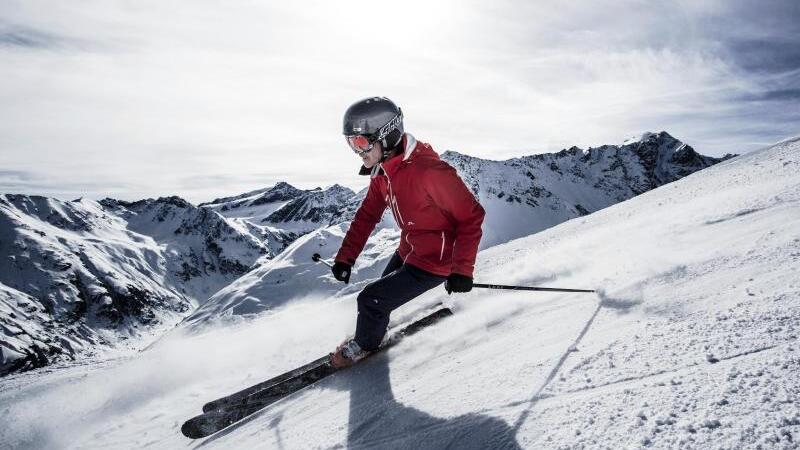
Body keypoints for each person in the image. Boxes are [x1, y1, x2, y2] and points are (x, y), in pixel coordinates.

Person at [329, 97, 485, 369]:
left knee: (371, 300)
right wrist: (346, 257)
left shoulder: (429, 171)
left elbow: (471, 216)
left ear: (386, 136)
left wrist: (461, 270)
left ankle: (365, 346)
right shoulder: (383, 172)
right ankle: (373, 331)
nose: (357, 151)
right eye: (351, 143)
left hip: (436, 262)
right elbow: (367, 215)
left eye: (361, 143)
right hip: (410, 251)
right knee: (380, 294)